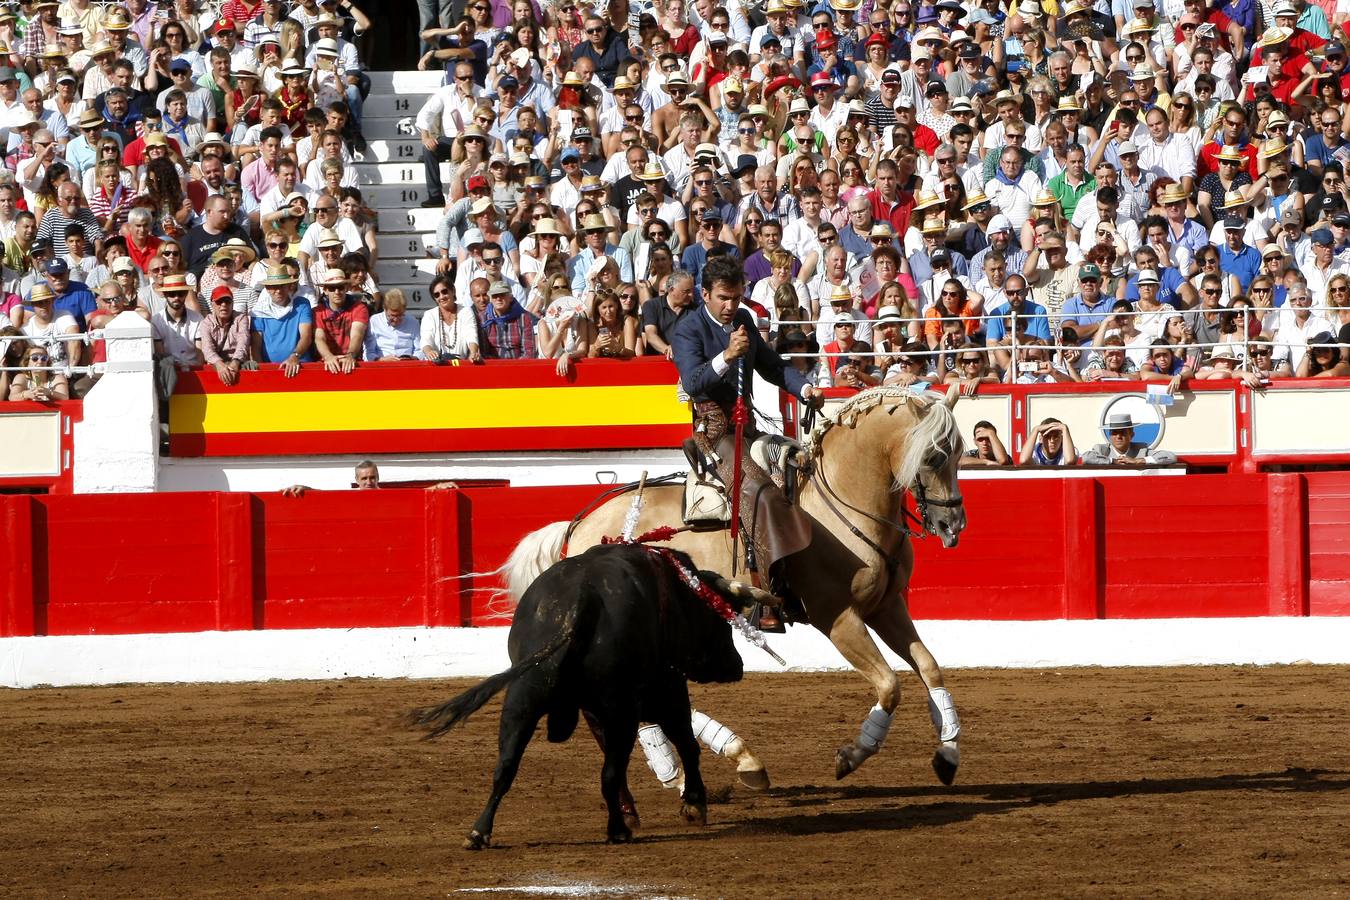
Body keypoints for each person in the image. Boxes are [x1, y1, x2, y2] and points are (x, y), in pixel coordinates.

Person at [671, 256, 825, 628]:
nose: (731, 306)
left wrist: (804, 388)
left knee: (803, 470)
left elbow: (772, 366)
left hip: (748, 427)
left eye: (737, 297)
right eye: (723, 298)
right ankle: (768, 595)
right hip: (713, 434)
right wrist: (726, 356)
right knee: (761, 492)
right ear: (705, 294)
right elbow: (691, 383)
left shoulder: (742, 322)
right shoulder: (687, 330)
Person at [250, 265, 314, 377]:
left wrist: (295, 356)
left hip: (300, 366)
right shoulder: (258, 310)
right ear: (267, 288)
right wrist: (261, 372)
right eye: (274, 287)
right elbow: (256, 345)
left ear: (289, 286)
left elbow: (306, 336)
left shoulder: (302, 304)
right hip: (270, 370)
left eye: (282, 286)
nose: (278, 290)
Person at [1081, 413, 1179, 466]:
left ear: (1131, 435)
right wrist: (1112, 461)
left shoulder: (1141, 450)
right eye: (1115, 433)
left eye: (1122, 432)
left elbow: (1171, 456)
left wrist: (1139, 460)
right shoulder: (1102, 450)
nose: (1118, 436)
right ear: (1110, 436)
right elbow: (1086, 458)